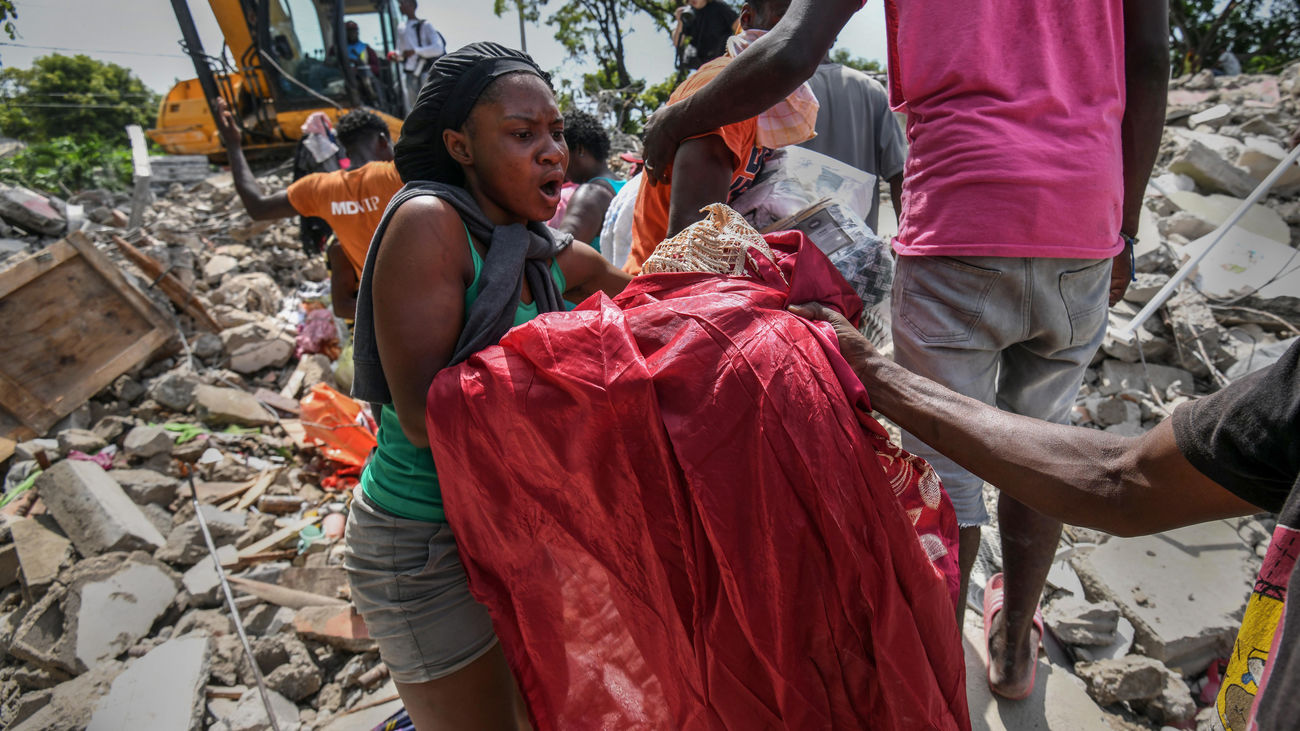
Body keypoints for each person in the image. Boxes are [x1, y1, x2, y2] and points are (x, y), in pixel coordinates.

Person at [642, 0, 1170, 701]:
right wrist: (1124, 227)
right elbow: (1149, 60)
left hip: (961, 218)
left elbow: (793, 49)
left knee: (946, 469)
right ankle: (1015, 645)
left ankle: (939, 680)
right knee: (1042, 443)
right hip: (1083, 223)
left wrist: (673, 120)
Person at [790, 300, 1300, 731]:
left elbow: (1123, 480)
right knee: (1042, 436)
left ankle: (941, 668)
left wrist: (875, 372)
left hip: (952, 253)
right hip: (1078, 262)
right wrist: (1121, 241)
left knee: (948, 480)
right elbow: (1118, 483)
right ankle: (1013, 654)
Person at [343, 42, 631, 730]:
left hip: (513, 528)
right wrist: (574, 378)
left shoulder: (538, 248)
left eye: (556, 133)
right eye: (522, 134)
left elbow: (645, 300)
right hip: (426, 542)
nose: (552, 152)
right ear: (460, 147)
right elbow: (425, 418)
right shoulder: (430, 225)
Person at [626, 0, 815, 274]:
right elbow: (693, 247)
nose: (801, 28)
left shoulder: (762, 104)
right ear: (747, 18)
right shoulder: (729, 97)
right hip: (668, 285)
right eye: (785, 15)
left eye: (812, 20)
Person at [214, 99, 401, 319]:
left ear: (344, 147)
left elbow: (257, 206)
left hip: (383, 309)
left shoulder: (320, 188)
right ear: (383, 140)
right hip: (423, 299)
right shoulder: (395, 174)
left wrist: (233, 145)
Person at [797, 53, 905, 233]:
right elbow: (898, 173)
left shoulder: (781, 90)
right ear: (833, 40)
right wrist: (905, 238)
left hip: (791, 242)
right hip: (858, 241)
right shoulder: (871, 89)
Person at [555, 109, 624, 252]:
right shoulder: (625, 187)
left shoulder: (590, 194)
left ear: (580, 149)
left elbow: (559, 254)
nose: (558, 161)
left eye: (562, 153)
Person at [396, 0, 446, 108]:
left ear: (412, 5)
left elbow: (438, 48)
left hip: (425, 72)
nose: (400, 6)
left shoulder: (425, 25)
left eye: (403, 3)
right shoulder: (401, 27)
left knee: (429, 104)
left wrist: (416, 51)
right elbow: (400, 51)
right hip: (409, 73)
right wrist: (396, 55)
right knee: (413, 107)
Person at [672, 0, 738, 73]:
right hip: (703, 68)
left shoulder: (719, 6)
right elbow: (677, 42)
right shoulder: (689, 14)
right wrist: (680, 22)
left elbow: (738, 27)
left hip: (724, 63)